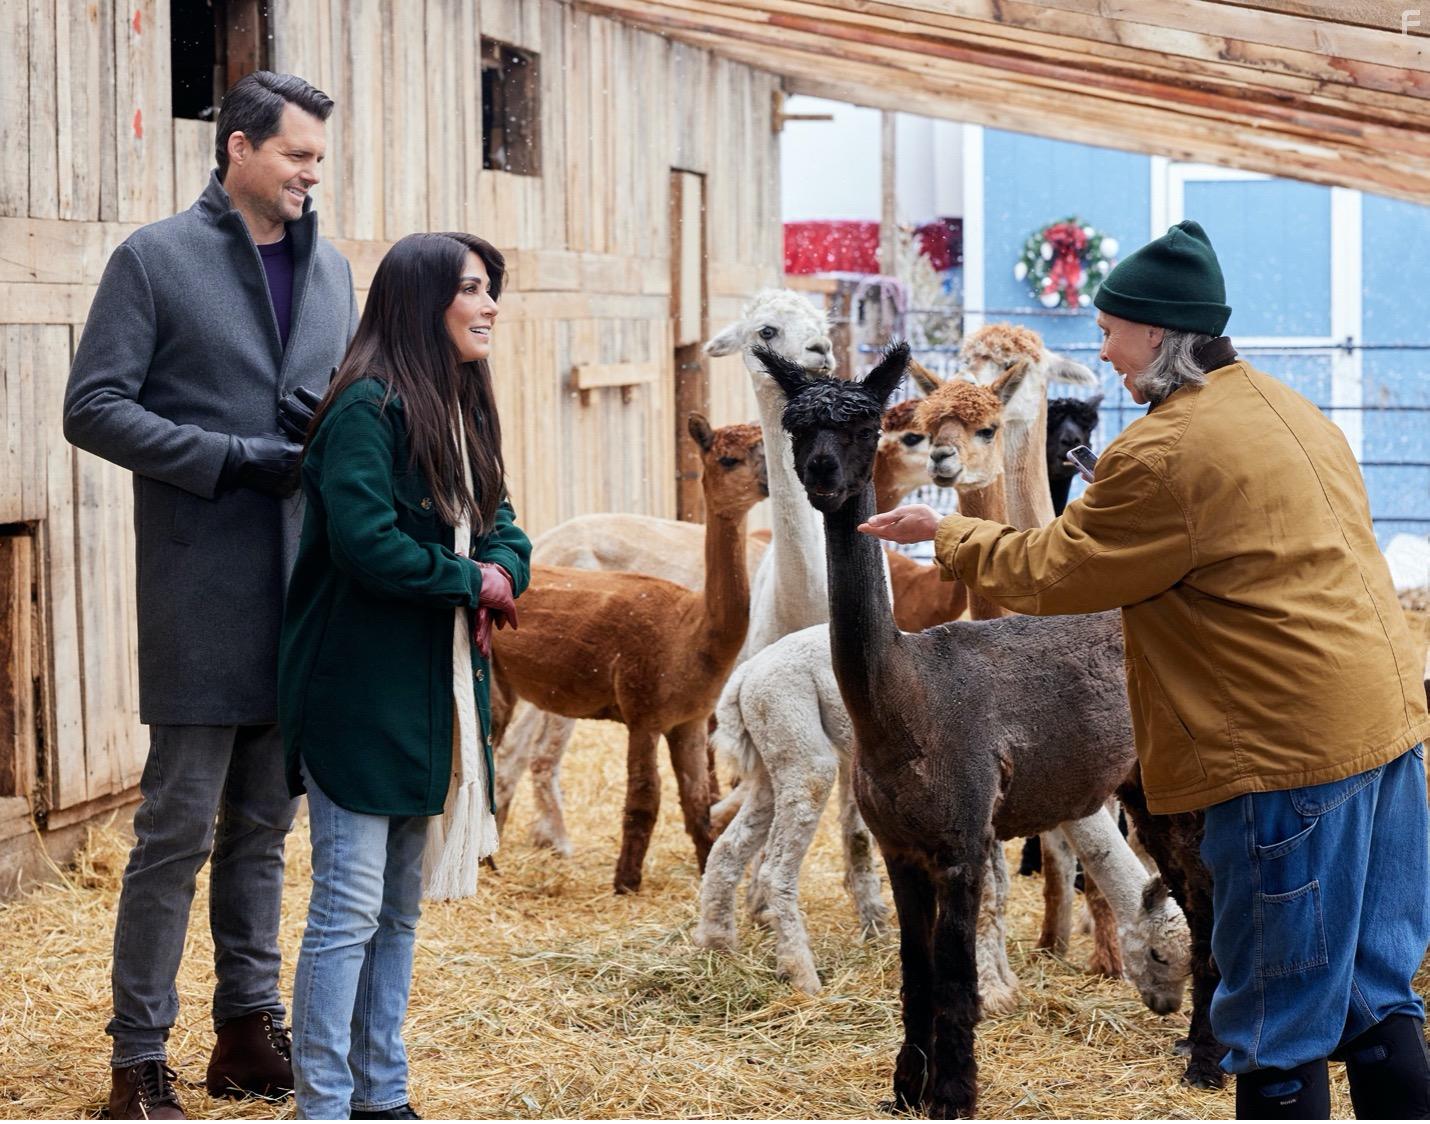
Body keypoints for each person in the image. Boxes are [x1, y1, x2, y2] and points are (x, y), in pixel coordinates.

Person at [863, 220, 1430, 1119]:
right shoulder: (1291, 409)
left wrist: (948, 536)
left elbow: (1059, 572)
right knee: (1375, 1000)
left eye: (1112, 331)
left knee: (1277, 1024)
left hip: (1284, 763)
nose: (1104, 349)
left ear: (1162, 335)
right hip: (1386, 740)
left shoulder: (1164, 452)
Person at [62, 71, 357, 1119]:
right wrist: (233, 454)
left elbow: (351, 410)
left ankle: (245, 1028)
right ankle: (138, 1059)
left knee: (265, 828)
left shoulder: (333, 273)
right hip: (198, 583)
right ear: (236, 146)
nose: (311, 173)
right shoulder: (154, 258)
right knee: (175, 827)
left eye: (319, 157)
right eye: (296, 155)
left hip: (302, 592)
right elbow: (91, 407)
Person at [278, 231, 531, 1120]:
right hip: (358, 690)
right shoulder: (364, 410)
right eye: (471, 287)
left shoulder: (459, 410)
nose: (489, 303)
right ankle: (325, 1102)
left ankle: (383, 1096)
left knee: (398, 913)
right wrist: (474, 581)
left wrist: (500, 567)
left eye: (490, 287)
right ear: (423, 300)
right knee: (346, 911)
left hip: (433, 697)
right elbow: (367, 545)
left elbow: (503, 524)